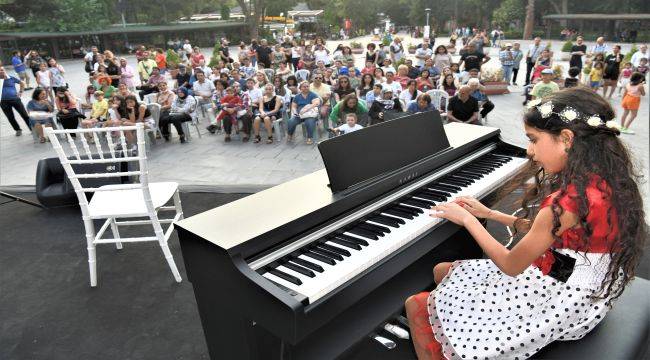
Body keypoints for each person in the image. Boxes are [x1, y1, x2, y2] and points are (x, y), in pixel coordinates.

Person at [406, 86, 646, 360]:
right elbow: (553, 235)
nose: (530, 151)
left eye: (533, 140)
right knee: (442, 272)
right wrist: (492, 215)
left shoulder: (564, 203)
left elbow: (510, 264)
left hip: (560, 301)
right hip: (588, 292)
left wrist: (468, 220)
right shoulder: (606, 180)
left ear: (566, 139)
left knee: (416, 303)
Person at [287, 80, 321, 145]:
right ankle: (290, 134)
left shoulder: (313, 95)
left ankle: (310, 137)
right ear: (300, 88)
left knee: (309, 121)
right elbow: (293, 106)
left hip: (310, 114)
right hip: (299, 114)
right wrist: (295, 112)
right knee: (291, 121)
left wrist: (306, 109)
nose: (306, 88)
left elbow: (316, 103)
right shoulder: (297, 96)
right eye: (304, 86)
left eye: (307, 86)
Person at [0, 66, 31, 135]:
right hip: (3, 101)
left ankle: (31, 128)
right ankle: (17, 130)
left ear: (4, 70)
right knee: (10, 117)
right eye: (0, 70)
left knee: (24, 114)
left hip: (15, 99)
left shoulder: (11, 77)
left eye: (2, 70)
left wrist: (20, 92)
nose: (1, 71)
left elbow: (22, 83)